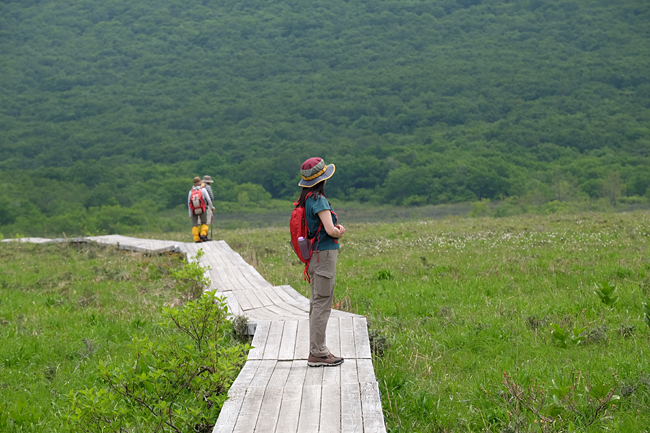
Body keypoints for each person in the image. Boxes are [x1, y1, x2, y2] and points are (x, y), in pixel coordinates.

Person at [296, 157, 346, 367]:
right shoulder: (319, 200)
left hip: (315, 256)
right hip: (324, 255)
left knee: (316, 302)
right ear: (323, 179)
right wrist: (340, 231)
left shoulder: (306, 199)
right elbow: (329, 229)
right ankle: (318, 352)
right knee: (323, 303)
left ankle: (316, 350)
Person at [188, 177, 214, 242]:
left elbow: (189, 203)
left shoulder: (191, 191)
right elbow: (209, 199)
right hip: (202, 209)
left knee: (195, 224)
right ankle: (203, 234)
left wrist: (190, 214)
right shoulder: (203, 190)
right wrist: (212, 207)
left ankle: (197, 238)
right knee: (204, 223)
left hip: (194, 210)